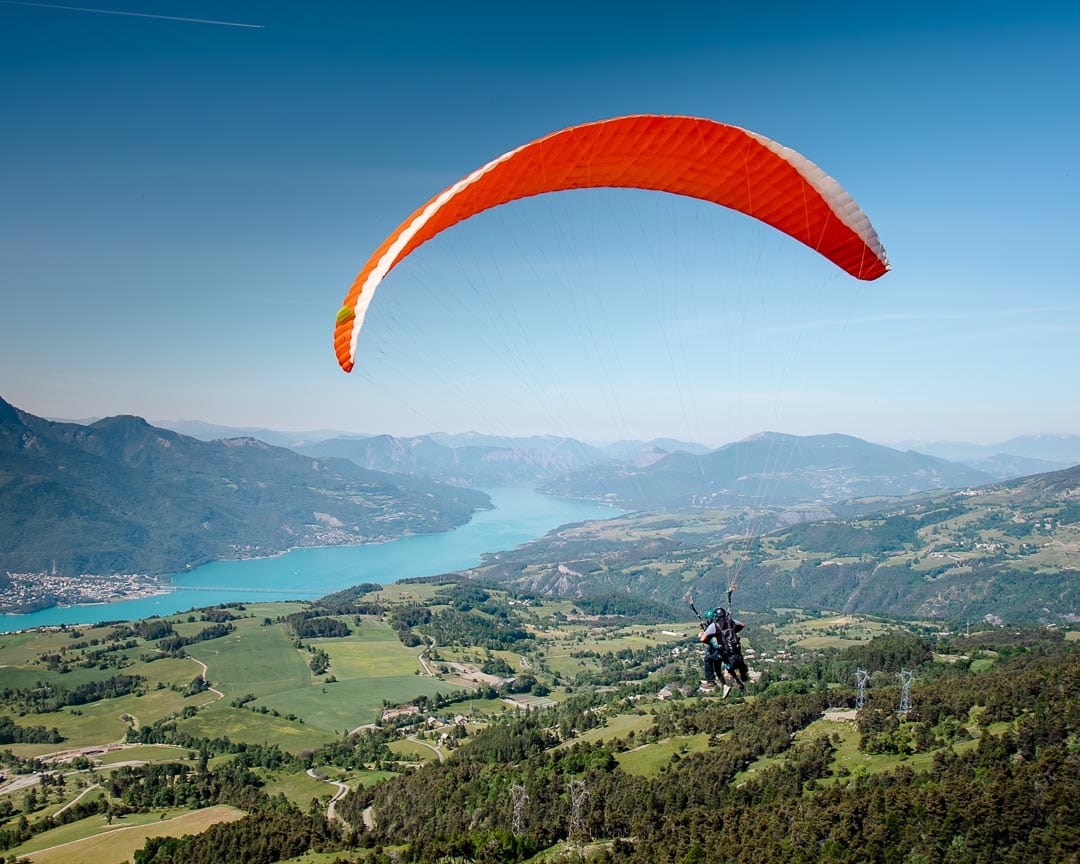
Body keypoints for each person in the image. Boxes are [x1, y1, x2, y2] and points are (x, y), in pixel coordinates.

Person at [698, 607, 747, 697]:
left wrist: (707, 635)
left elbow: (703, 638)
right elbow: (742, 625)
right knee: (725, 666)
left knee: (708, 660)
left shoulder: (714, 626)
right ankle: (739, 680)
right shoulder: (730, 621)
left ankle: (711, 681)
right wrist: (734, 631)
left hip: (723, 652)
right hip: (734, 651)